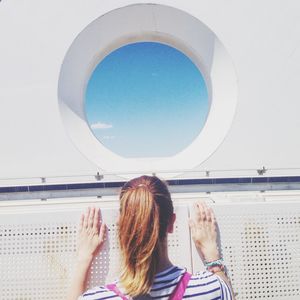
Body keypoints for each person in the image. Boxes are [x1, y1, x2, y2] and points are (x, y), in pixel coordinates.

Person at [68, 175, 235, 300]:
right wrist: (212, 254)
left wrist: (84, 258)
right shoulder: (209, 289)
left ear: (122, 227)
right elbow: (226, 292)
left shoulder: (97, 298)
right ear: (171, 223)